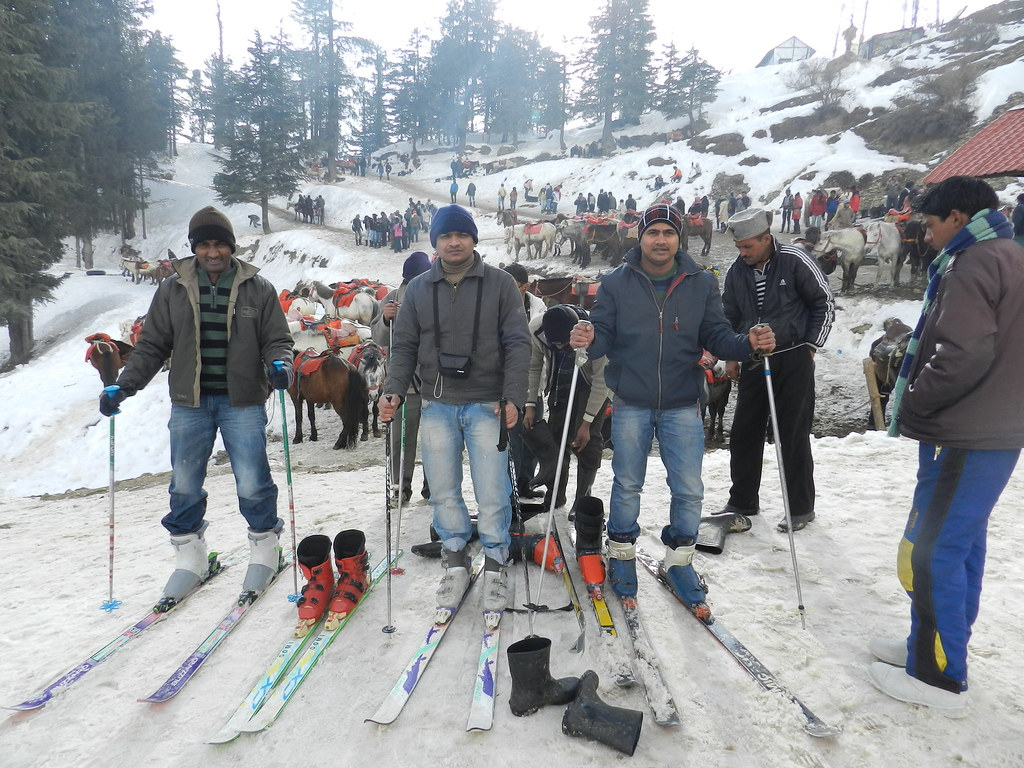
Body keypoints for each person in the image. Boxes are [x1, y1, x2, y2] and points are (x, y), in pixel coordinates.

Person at [569, 204, 776, 617]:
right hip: (631, 399)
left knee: (689, 487)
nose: (660, 239)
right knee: (627, 483)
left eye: (668, 232)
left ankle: (680, 562)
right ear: (640, 238)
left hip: (683, 401)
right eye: (653, 232)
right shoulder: (615, 283)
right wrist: (589, 338)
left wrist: (746, 343)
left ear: (679, 239)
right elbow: (603, 336)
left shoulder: (700, 283)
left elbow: (716, 335)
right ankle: (623, 552)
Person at [870, 176, 1024, 717]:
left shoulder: (974, 262)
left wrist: (912, 401)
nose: (928, 237)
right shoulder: (1010, 253)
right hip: (993, 428)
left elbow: (962, 352)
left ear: (957, 218)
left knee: (927, 554)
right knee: (961, 546)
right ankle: (930, 645)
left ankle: (938, 674)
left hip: (964, 430)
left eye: (931, 225)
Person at [99, 206, 295, 609]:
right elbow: (152, 345)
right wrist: (125, 385)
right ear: (194, 248)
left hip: (242, 400)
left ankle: (265, 548)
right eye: (204, 244)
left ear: (230, 246)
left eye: (219, 243)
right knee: (185, 482)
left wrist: (281, 364)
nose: (212, 252)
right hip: (190, 401)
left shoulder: (258, 288)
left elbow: (278, 339)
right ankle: (190, 555)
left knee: (252, 480)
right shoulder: (172, 289)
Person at [378, 205, 531, 619]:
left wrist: (514, 396)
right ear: (435, 243)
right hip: (437, 405)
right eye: (445, 236)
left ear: (473, 239)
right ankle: (456, 559)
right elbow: (404, 347)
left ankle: (497, 563)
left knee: (492, 490)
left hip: (488, 404)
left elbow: (519, 344)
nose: (454, 242)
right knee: (443, 490)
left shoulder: (500, 285)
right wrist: (392, 390)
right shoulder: (418, 290)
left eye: (461, 235)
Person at [719, 207, 835, 533]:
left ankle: (800, 507)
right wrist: (731, 354)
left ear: (766, 239)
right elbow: (729, 316)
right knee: (744, 431)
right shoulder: (736, 272)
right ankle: (742, 500)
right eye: (739, 247)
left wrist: (811, 346)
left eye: (748, 247)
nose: (742, 253)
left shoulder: (795, 260)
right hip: (754, 359)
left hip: (794, 357)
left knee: (792, 433)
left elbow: (823, 302)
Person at [526, 305, 609, 515]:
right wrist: (530, 404)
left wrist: (586, 423)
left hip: (590, 384)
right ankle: (555, 494)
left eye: (563, 343)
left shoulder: (594, 332)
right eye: (554, 343)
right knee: (555, 439)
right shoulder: (537, 329)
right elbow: (534, 366)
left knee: (587, 442)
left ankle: (582, 499)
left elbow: (602, 381)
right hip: (560, 381)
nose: (558, 346)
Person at [371, 251, 433, 503]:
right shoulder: (393, 298)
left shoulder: (439, 294)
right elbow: (378, 338)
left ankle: (434, 487)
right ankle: (399, 487)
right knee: (400, 441)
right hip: (403, 384)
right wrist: (385, 319)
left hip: (435, 383)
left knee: (436, 441)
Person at [504, 262, 547, 499]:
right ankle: (508, 485)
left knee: (532, 434)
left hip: (532, 382)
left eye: (515, 287)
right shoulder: (496, 307)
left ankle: (526, 482)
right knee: (510, 437)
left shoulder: (539, 310)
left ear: (525, 287)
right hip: (506, 383)